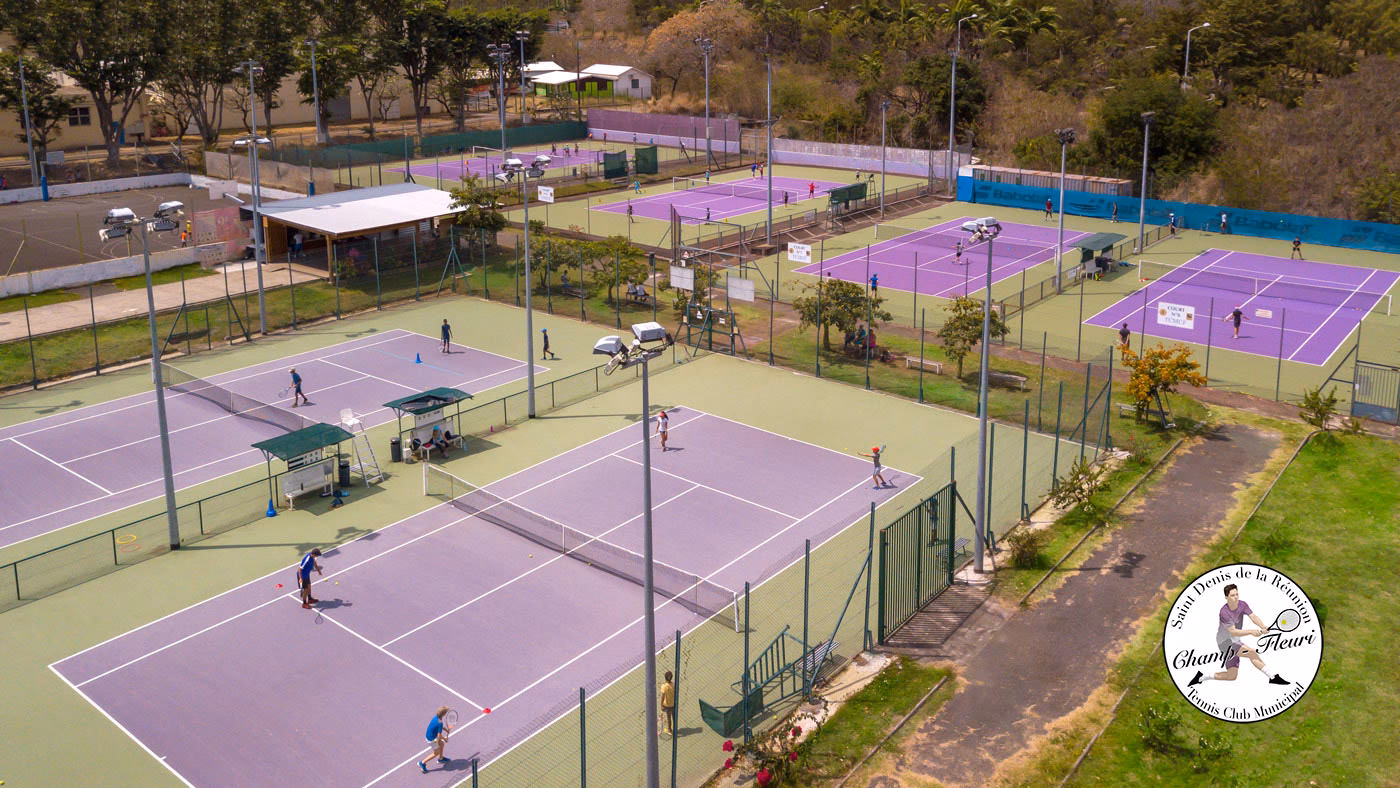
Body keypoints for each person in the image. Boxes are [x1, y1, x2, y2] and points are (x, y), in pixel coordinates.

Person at [1187, 584, 1290, 688]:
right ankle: (1273, 677)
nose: (1236, 597)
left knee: (1231, 676)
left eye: (1237, 594)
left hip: (1235, 640)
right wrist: (1251, 632)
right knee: (1251, 652)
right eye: (1232, 595)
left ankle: (1201, 677)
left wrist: (1262, 626)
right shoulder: (1224, 612)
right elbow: (1233, 631)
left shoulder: (1242, 604)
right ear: (1226, 597)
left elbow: (1253, 616)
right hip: (1225, 643)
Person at [418, 706, 453, 773]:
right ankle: (422, 763)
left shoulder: (436, 717)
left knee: (441, 744)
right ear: (444, 714)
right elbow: (439, 736)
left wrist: (446, 730)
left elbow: (438, 727)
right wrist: (445, 739)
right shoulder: (440, 723)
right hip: (432, 739)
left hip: (429, 735)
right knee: (436, 752)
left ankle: (441, 758)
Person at [660, 671, 676, 735]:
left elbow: (663, 696)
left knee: (669, 718)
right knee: (674, 717)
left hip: (667, 705)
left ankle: (669, 730)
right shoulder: (673, 684)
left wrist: (661, 705)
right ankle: (675, 728)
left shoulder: (664, 686)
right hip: (673, 704)